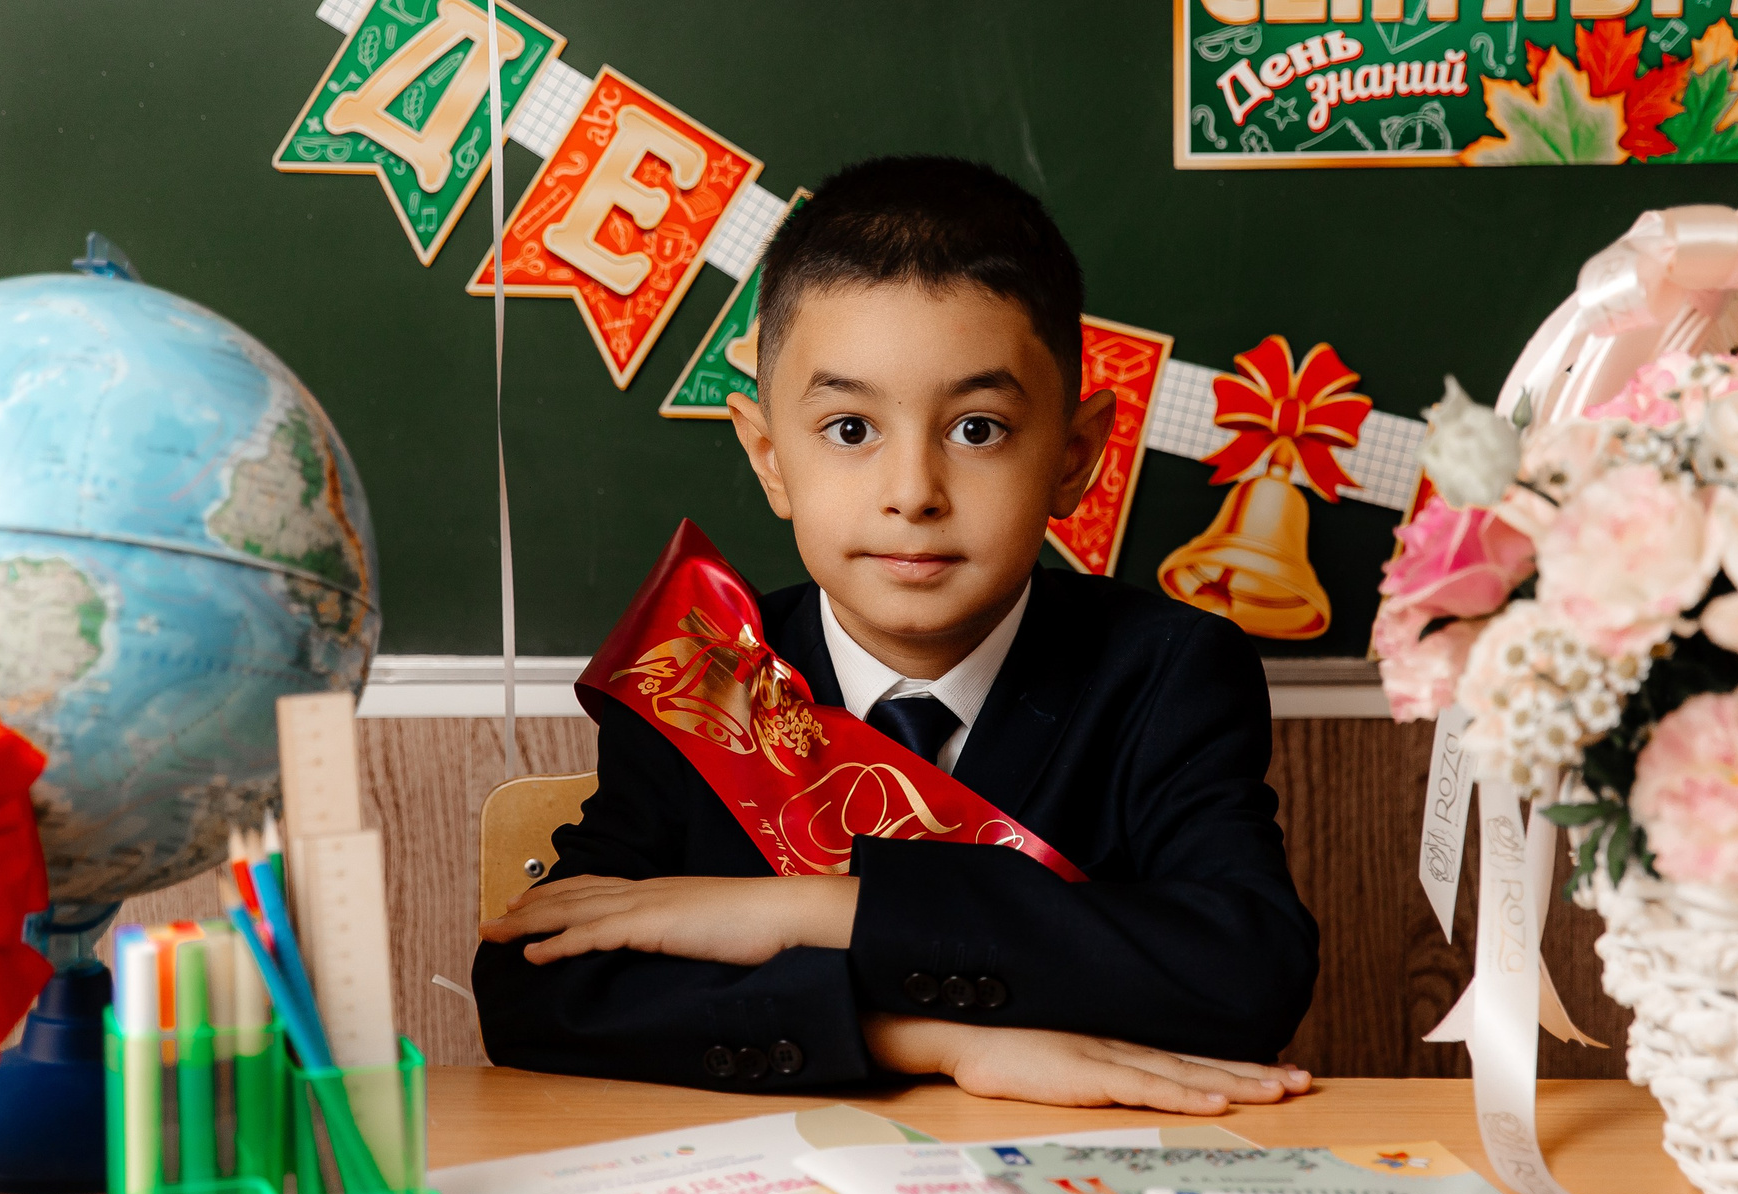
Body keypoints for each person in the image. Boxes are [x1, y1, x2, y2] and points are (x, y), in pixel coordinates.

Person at [474, 157, 1320, 1113]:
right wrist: (924, 1040)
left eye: (978, 429)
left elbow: (1247, 969)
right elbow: (531, 987)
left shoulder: (1166, 673)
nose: (913, 492)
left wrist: (813, 906)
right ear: (769, 456)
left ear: (1074, 457)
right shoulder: (705, 675)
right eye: (849, 429)